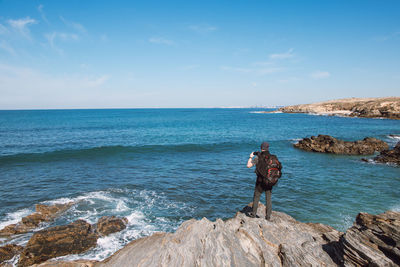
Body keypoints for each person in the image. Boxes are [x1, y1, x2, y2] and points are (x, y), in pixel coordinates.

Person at [247, 141, 282, 220]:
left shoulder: (258, 157)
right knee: (268, 198)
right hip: (269, 181)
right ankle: (268, 217)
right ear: (268, 148)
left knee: (256, 197)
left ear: (261, 148)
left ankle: (253, 214)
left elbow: (248, 165)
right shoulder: (272, 157)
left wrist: (250, 157)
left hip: (260, 181)